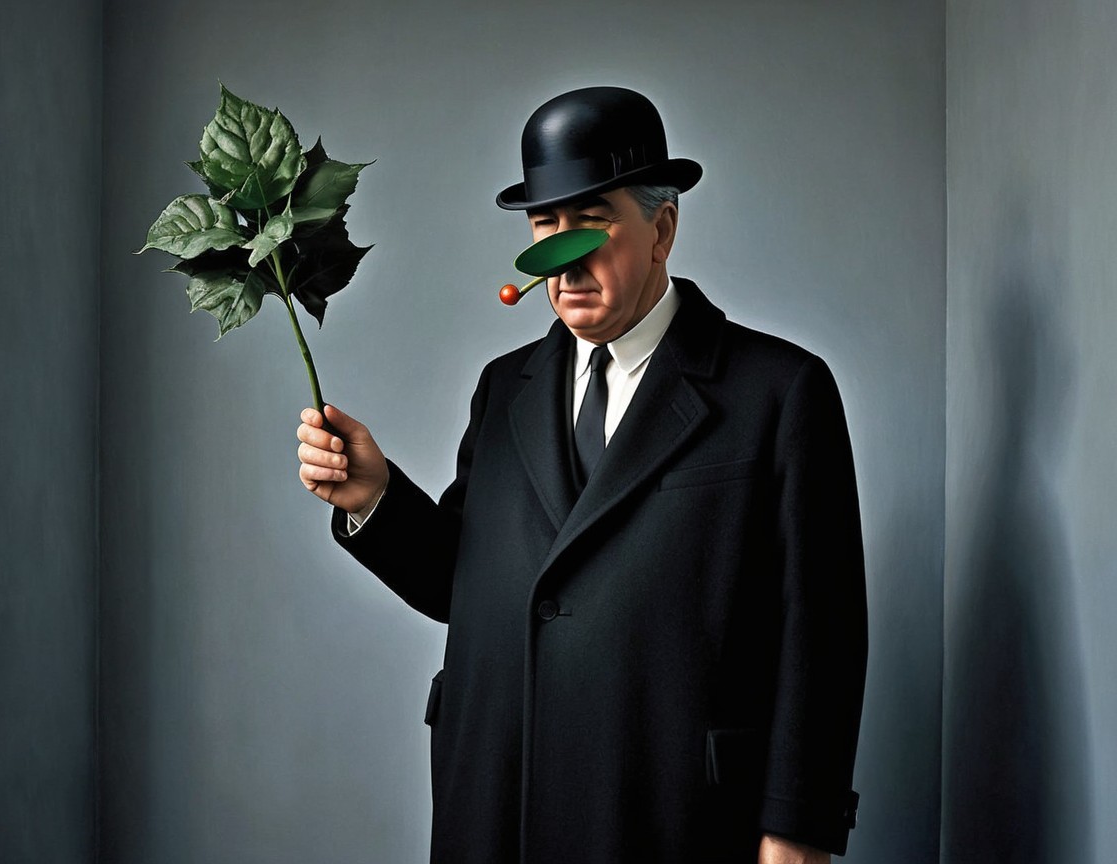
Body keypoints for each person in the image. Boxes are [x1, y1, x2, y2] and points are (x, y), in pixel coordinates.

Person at [296, 86, 867, 864]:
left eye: (592, 221)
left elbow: (822, 632)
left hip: (675, 814)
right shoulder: (505, 390)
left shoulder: (778, 392)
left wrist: (797, 828)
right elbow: (467, 585)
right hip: (500, 799)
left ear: (661, 229)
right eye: (544, 226)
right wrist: (376, 499)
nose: (564, 258)